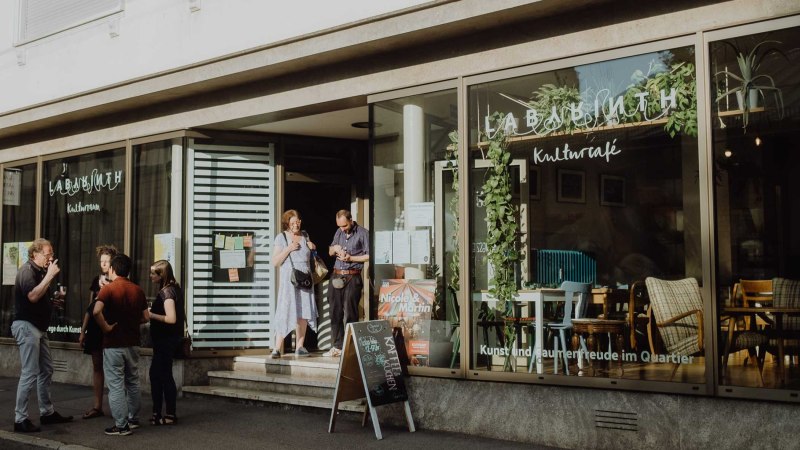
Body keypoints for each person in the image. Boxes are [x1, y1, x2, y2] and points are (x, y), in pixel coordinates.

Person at [11, 238, 73, 433]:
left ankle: (47, 413)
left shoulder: (40, 273)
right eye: (48, 254)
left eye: (51, 254)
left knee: (46, 369)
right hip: (27, 327)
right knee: (30, 372)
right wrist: (50, 277)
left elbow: (38, 299)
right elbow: (32, 296)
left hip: (39, 328)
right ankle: (20, 419)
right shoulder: (27, 271)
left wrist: (53, 302)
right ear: (34, 254)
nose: (51, 258)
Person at [93, 253, 149, 436]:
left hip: (113, 343)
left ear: (113, 269)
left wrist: (107, 327)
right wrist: (131, 322)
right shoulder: (138, 290)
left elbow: (96, 311)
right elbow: (146, 318)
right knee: (132, 381)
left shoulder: (108, 289)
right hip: (133, 343)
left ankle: (121, 425)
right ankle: (133, 419)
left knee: (116, 385)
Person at [271, 209, 318, 358]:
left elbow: (312, 259)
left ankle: (300, 346)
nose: (296, 225)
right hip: (289, 280)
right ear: (287, 223)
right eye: (293, 223)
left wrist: (313, 249)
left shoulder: (305, 236)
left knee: (304, 312)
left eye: (298, 222)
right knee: (285, 310)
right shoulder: (281, 238)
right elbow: (275, 262)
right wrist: (289, 249)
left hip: (305, 279)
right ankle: (277, 348)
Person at [79, 244, 118, 420]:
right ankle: (97, 405)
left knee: (114, 367)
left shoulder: (118, 280)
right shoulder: (96, 280)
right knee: (97, 365)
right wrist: (83, 330)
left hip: (111, 324)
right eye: (101, 261)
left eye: (106, 261)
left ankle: (118, 406)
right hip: (95, 326)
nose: (103, 264)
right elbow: (90, 307)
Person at [324, 210, 369, 358]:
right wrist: (334, 249)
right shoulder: (339, 232)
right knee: (335, 312)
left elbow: (369, 255)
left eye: (344, 225)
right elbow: (330, 251)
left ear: (351, 220)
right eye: (340, 226)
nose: (342, 228)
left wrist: (351, 258)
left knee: (350, 313)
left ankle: (350, 348)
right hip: (337, 274)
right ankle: (337, 346)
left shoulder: (363, 233)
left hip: (352, 276)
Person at [147, 259, 185, 426]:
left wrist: (151, 315)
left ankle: (168, 414)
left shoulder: (167, 293)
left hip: (165, 341)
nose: (150, 276)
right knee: (158, 375)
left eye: (153, 273)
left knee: (162, 376)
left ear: (161, 275)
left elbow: (171, 318)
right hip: (166, 340)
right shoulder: (173, 288)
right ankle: (160, 413)